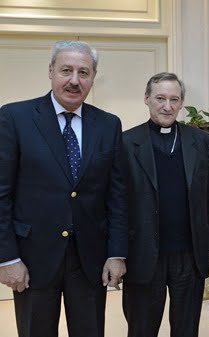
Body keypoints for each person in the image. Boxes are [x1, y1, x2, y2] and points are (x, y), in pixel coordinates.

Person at [0, 40, 127, 337]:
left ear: (93, 77)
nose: (74, 80)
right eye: (66, 70)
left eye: (83, 72)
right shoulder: (15, 118)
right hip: (33, 259)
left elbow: (117, 195)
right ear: (50, 72)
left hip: (90, 259)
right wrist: (7, 258)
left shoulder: (108, 125)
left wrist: (117, 253)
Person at [120, 72, 209, 337]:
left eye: (174, 99)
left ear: (181, 102)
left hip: (188, 255)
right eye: (160, 98)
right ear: (147, 99)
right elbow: (117, 203)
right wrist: (117, 253)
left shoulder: (199, 141)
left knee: (186, 329)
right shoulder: (125, 142)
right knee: (141, 329)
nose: (167, 106)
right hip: (143, 255)